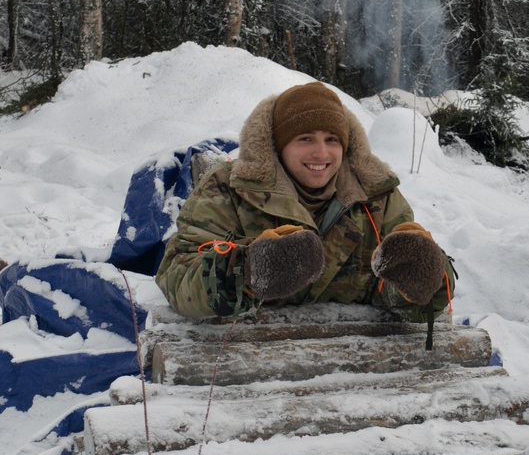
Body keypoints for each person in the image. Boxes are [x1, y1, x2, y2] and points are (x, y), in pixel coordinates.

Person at [155, 82, 454, 324]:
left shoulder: (376, 196)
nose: (321, 153)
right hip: (249, 365)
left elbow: (402, 297)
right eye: (305, 139)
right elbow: (176, 272)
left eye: (332, 140)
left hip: (355, 367)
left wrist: (422, 279)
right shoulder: (231, 189)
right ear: (279, 144)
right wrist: (246, 271)